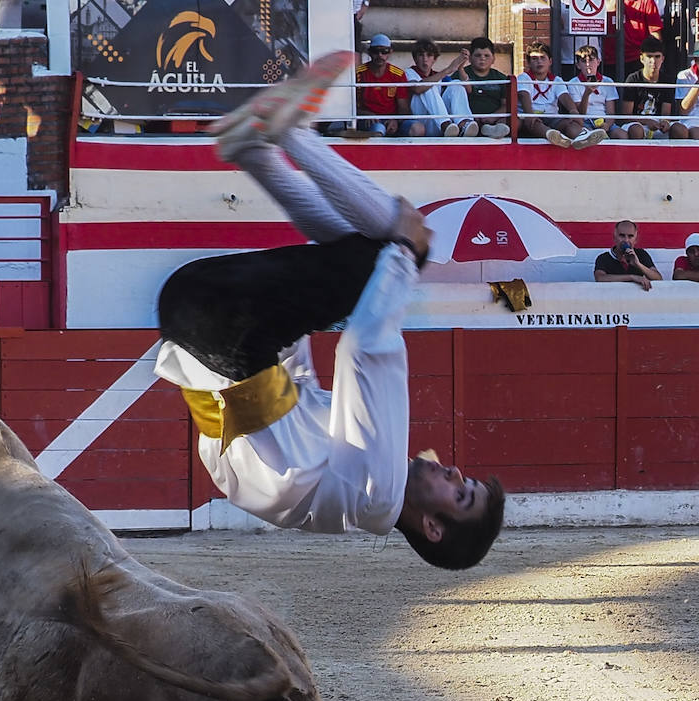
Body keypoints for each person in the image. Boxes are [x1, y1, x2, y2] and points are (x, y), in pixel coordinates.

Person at [161, 53, 506, 569]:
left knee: (393, 249)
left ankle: (285, 136)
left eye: (460, 493)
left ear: (432, 527)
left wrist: (404, 261)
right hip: (196, 317)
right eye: (466, 478)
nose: (454, 472)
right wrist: (314, 306)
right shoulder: (343, 500)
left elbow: (365, 350)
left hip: (221, 319)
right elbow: (289, 387)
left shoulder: (380, 483)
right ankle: (255, 146)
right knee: (366, 256)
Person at [516, 42, 607, 149]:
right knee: (534, 122)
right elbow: (523, 95)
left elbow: (564, 97)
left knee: (570, 123)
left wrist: (574, 112)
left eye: (542, 58)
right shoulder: (524, 78)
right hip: (531, 117)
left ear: (550, 61)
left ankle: (582, 137)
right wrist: (530, 114)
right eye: (534, 59)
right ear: (528, 63)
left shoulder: (557, 80)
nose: (539, 61)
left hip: (552, 117)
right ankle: (553, 135)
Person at [405, 39, 477, 137]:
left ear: (434, 59)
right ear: (415, 58)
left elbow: (468, 90)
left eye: (429, 55)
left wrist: (460, 68)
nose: (425, 59)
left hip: (436, 124)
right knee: (428, 85)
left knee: (456, 84)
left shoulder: (438, 75)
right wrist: (448, 70)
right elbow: (417, 89)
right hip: (420, 123)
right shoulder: (409, 72)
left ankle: (463, 124)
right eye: (421, 55)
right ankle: (445, 124)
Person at [620, 37, 687, 138]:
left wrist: (665, 122)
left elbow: (666, 113)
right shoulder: (633, 79)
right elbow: (626, 115)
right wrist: (647, 122)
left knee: (680, 129)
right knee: (636, 130)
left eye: (657, 56)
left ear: (662, 59)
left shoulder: (667, 80)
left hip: (658, 125)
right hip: (636, 124)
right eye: (649, 56)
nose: (653, 61)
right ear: (642, 58)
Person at [451, 37, 511, 137]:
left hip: (494, 121)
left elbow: (506, 105)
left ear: (493, 59)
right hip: (469, 123)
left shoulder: (501, 78)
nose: (482, 58)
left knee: (509, 121)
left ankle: (492, 131)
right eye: (478, 55)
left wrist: (492, 117)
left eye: (486, 55)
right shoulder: (459, 75)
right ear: (470, 58)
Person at [617, 0, 663, 78]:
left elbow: (656, 35)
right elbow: (611, 8)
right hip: (612, 56)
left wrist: (651, 59)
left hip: (637, 59)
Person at [355, 34, 411, 135]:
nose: (380, 55)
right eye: (376, 51)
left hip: (391, 120)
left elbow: (404, 108)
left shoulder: (398, 74)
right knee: (378, 128)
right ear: (369, 53)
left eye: (384, 51)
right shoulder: (358, 73)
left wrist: (395, 120)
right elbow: (350, 106)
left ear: (390, 52)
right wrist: (366, 114)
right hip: (367, 120)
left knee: (417, 128)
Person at [566, 44, 619, 136]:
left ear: (598, 62)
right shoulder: (573, 83)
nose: (588, 65)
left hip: (603, 120)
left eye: (591, 60)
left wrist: (607, 125)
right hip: (584, 122)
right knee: (581, 132)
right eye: (583, 61)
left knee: (621, 135)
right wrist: (586, 94)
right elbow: (580, 113)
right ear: (578, 65)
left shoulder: (608, 81)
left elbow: (611, 112)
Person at [594, 220, 662, 290]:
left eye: (630, 236)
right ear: (614, 237)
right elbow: (600, 278)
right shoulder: (604, 258)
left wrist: (638, 264)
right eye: (622, 236)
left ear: (635, 240)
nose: (626, 240)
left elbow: (658, 278)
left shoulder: (641, 254)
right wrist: (632, 277)